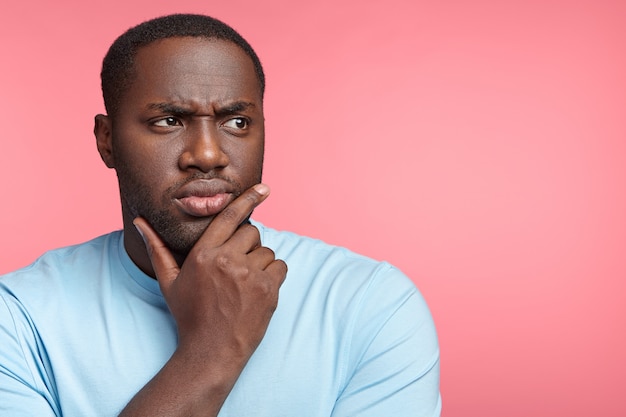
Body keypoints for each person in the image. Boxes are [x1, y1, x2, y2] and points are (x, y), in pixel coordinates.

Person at [0, 14, 441, 417]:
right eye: (169, 121)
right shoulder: (19, 320)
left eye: (237, 122)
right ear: (107, 140)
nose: (208, 156)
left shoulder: (370, 304)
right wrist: (210, 353)